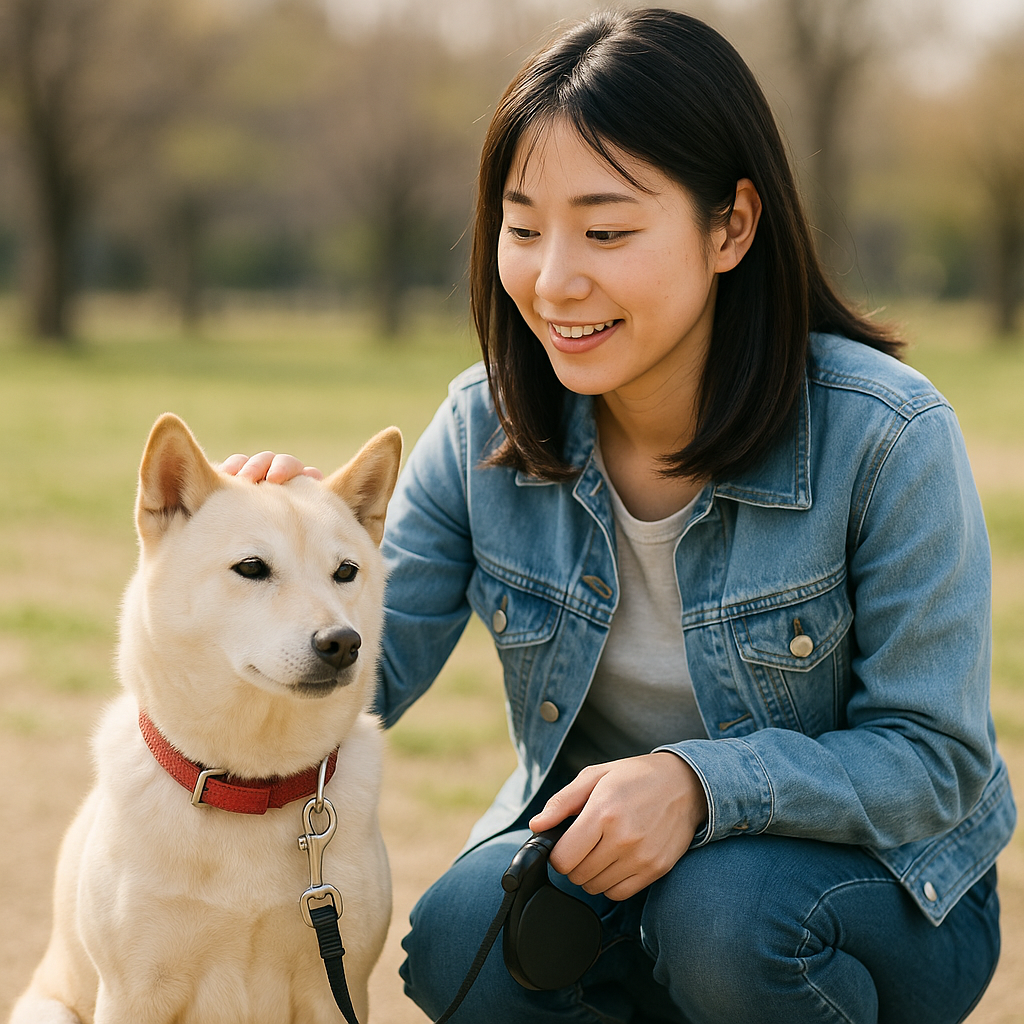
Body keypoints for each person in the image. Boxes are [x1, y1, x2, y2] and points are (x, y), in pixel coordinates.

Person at [226, 9, 1015, 1022]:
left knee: (723, 915)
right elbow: (366, 676)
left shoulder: (887, 434)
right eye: (522, 227)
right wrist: (291, 572)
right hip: (606, 881)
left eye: (606, 230)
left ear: (730, 226)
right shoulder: (485, 426)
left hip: (871, 894)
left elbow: (933, 756)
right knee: (467, 929)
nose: (554, 279)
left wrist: (698, 784)